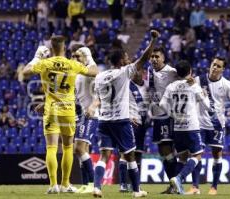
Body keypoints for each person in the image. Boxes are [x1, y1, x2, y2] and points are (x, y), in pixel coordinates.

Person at [22, 36, 98, 194]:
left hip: (51, 110)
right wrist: (89, 58)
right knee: (68, 147)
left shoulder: (45, 63)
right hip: (68, 111)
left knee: (51, 147)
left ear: (51, 48)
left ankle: (53, 185)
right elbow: (94, 72)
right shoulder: (72, 64)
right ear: (64, 47)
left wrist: (36, 57)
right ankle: (65, 184)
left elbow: (25, 72)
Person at [92, 30, 160, 198]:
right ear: (121, 60)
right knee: (130, 156)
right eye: (126, 57)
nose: (129, 59)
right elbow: (144, 58)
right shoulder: (123, 72)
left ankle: (97, 187)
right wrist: (153, 40)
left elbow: (99, 98)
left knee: (104, 156)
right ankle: (137, 191)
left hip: (104, 120)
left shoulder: (99, 76)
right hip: (121, 121)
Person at [186, 56, 230, 195]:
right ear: (210, 65)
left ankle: (214, 187)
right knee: (196, 153)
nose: (215, 67)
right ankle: (195, 187)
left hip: (217, 124)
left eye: (218, 66)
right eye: (213, 64)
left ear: (223, 69)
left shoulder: (227, 84)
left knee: (217, 154)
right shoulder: (199, 80)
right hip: (199, 124)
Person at [160, 60, 210, 195]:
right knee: (197, 155)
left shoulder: (171, 86)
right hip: (191, 127)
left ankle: (176, 187)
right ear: (190, 71)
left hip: (178, 127)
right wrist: (200, 91)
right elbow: (207, 106)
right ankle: (179, 178)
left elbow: (162, 104)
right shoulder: (193, 85)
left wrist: (173, 115)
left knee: (182, 157)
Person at [147, 47, 178, 194]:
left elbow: (185, 80)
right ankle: (173, 183)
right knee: (162, 150)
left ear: (163, 58)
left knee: (167, 148)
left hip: (168, 115)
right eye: (152, 56)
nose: (154, 59)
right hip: (157, 115)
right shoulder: (150, 71)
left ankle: (176, 182)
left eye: (157, 56)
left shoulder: (171, 71)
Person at [71, 44, 99, 193]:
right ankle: (85, 184)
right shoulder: (79, 72)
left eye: (78, 56)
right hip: (80, 115)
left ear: (86, 57)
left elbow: (97, 73)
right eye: (74, 56)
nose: (75, 58)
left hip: (90, 115)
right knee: (83, 150)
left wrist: (93, 107)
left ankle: (94, 184)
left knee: (79, 148)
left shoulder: (91, 69)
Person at [118, 68, 149, 192]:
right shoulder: (127, 85)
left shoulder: (148, 86)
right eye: (135, 71)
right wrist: (128, 117)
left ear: (144, 73)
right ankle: (123, 184)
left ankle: (135, 184)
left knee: (138, 154)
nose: (138, 73)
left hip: (142, 125)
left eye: (140, 71)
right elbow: (119, 102)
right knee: (125, 153)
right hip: (129, 122)